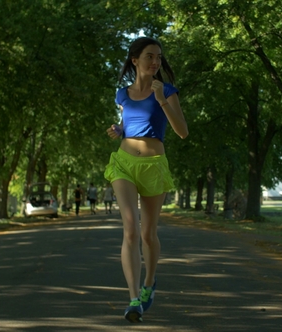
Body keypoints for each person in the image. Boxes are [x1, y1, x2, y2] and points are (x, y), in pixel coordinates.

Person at [104, 36, 188, 323]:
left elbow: (182, 131)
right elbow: (129, 125)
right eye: (150, 56)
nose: (156, 62)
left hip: (154, 164)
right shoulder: (122, 95)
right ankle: (133, 299)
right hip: (124, 163)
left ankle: (149, 283)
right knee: (130, 229)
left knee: (147, 234)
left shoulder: (166, 91)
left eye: (159, 58)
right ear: (135, 60)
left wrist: (162, 100)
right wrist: (119, 129)